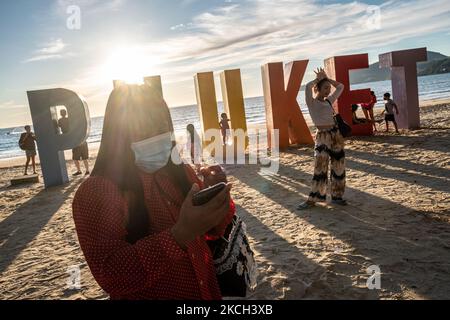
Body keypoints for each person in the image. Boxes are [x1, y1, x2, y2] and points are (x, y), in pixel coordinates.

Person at [72, 84, 235, 300]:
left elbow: (214, 230)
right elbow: (110, 274)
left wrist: (218, 199)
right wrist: (179, 235)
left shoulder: (180, 171)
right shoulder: (97, 191)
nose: (156, 135)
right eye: (142, 126)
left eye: (161, 124)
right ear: (118, 132)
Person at [298, 68, 347, 210]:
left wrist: (327, 78)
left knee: (339, 166)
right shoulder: (311, 102)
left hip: (336, 135)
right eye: (325, 88)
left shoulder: (329, 101)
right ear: (318, 88)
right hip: (322, 137)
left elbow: (341, 87)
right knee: (320, 167)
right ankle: (313, 199)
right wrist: (318, 79)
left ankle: (337, 196)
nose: (328, 91)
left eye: (329, 88)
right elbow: (307, 87)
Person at [57, 109, 90, 176]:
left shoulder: (60, 120)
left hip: (74, 140)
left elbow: (59, 126)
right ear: (66, 113)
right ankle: (87, 170)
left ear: (60, 114)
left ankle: (79, 170)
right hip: (80, 140)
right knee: (84, 158)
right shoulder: (70, 119)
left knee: (75, 158)